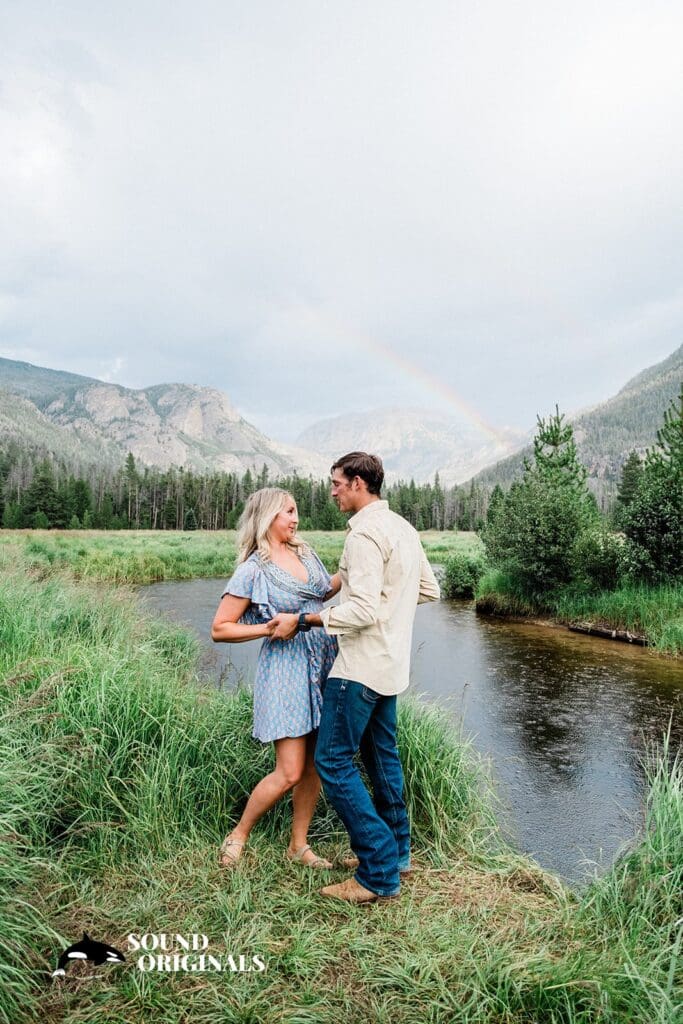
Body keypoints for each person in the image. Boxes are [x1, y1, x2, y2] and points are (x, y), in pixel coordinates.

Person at [268, 452, 441, 903]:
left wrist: (304, 621)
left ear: (360, 483)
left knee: (332, 761)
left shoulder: (363, 535)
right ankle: (398, 852)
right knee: (382, 759)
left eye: (337, 483)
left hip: (359, 669)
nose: (332, 491)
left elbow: (362, 609)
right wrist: (388, 615)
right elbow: (428, 590)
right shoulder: (403, 528)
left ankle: (379, 870)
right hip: (391, 668)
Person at [211, 487, 340, 869]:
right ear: (267, 517)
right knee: (289, 770)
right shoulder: (255, 567)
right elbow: (220, 628)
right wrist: (269, 628)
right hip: (285, 670)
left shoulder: (305, 552)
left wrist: (352, 570)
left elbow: (322, 592)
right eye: (288, 512)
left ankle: (298, 846)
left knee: (315, 764)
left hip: (323, 660)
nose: (295, 519)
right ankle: (239, 834)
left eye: (296, 511)